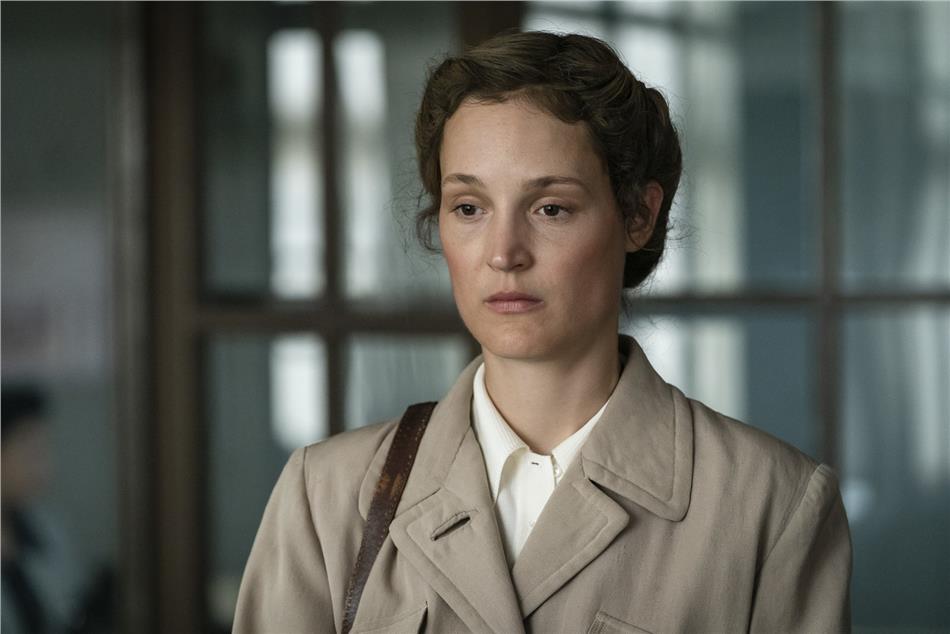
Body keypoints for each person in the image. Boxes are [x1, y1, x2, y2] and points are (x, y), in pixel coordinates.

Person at [235, 31, 852, 633]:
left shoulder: (773, 506)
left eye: (550, 208)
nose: (504, 253)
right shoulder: (325, 495)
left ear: (638, 215)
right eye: (469, 208)